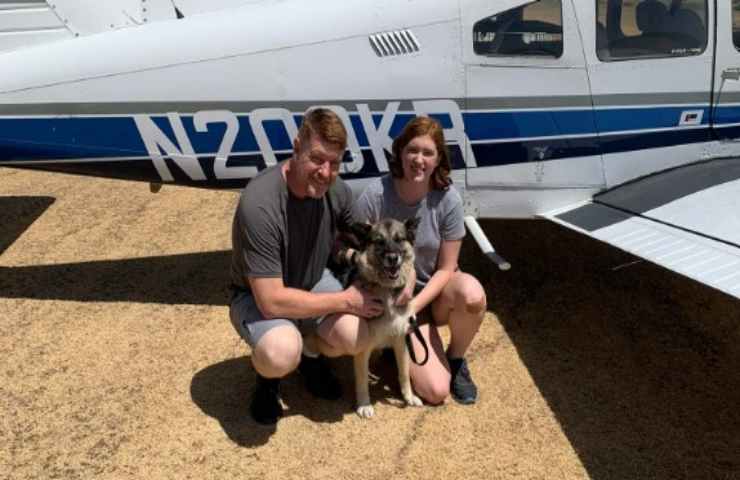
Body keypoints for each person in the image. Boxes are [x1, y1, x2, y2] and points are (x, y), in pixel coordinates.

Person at [229, 108, 382, 425]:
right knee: (281, 351)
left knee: (356, 337)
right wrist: (346, 300)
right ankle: (269, 381)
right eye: (317, 159)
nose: (325, 173)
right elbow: (271, 302)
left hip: (311, 282)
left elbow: (370, 240)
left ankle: (311, 357)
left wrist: (403, 276)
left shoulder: (335, 190)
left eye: (334, 163)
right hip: (258, 297)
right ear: (296, 147)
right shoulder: (260, 203)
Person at [352, 116, 487, 405]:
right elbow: (353, 250)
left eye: (428, 153)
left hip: (428, 298)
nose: (418, 160)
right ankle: (390, 345)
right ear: (400, 152)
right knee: (436, 391)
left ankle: (456, 360)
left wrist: (413, 304)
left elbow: (448, 267)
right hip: (386, 297)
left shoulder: (447, 199)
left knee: (472, 294)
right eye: (412, 150)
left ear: (438, 160)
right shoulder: (376, 194)